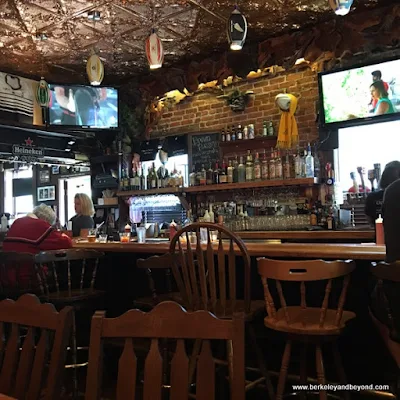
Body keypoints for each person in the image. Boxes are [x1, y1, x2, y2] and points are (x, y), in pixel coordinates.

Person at [2, 204, 72, 286]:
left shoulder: (17, 222)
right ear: (46, 221)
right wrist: (64, 235)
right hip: (29, 279)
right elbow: (66, 243)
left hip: (7, 279)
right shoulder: (40, 225)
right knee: (62, 275)